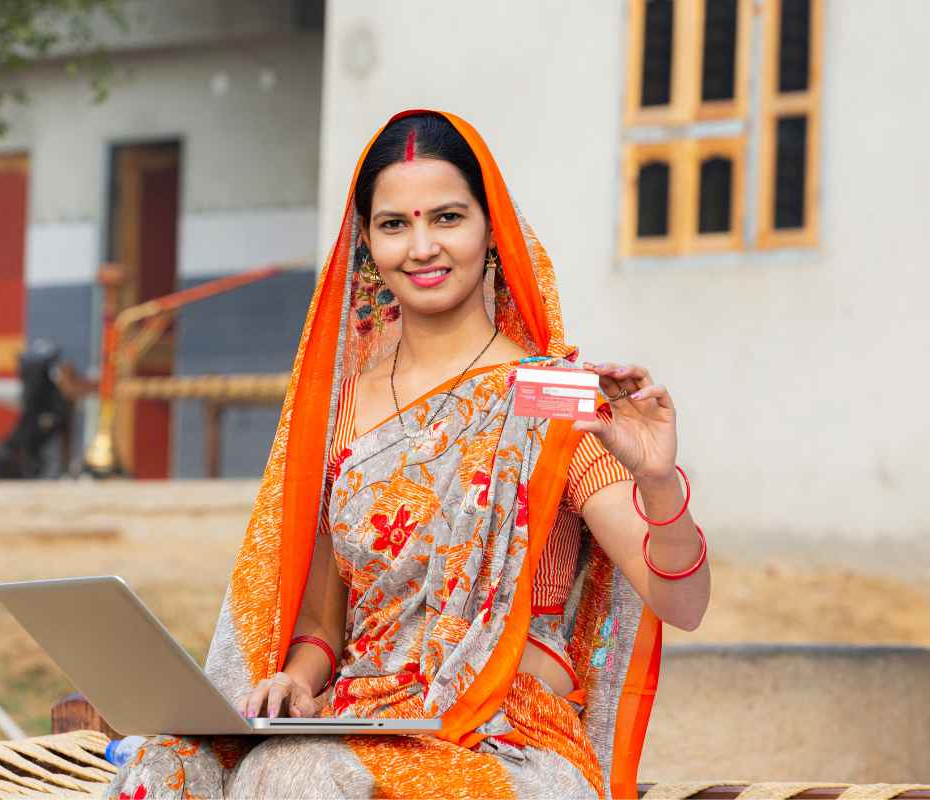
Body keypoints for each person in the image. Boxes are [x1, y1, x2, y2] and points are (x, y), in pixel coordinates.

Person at [106, 110, 710, 800]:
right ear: (366, 242)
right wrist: (295, 683)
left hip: (503, 740)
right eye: (395, 224)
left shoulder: (550, 393)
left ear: (492, 230)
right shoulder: (342, 408)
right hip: (359, 724)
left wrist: (658, 481)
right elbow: (323, 624)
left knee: (298, 776)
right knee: (167, 767)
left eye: (447, 218)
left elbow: (682, 602)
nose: (423, 247)